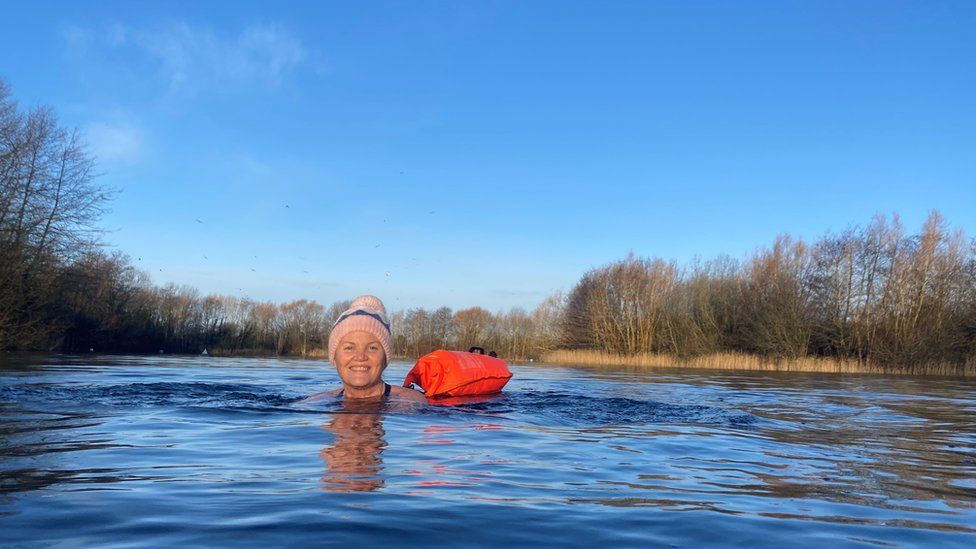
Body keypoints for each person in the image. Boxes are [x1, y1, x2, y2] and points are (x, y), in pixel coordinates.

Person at [308, 295, 427, 403]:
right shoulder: (314, 402)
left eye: (372, 348)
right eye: (349, 348)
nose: (360, 357)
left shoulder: (409, 403)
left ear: (385, 358)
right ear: (334, 358)